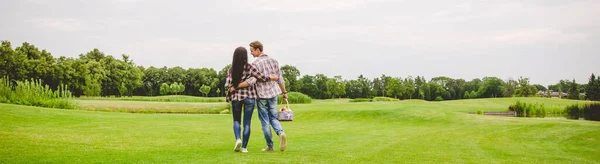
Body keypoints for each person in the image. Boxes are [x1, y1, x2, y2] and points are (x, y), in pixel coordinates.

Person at [224, 46, 279, 153]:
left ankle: (238, 139)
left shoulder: (231, 69)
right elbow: (261, 77)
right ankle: (244, 147)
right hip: (249, 97)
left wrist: (234, 86)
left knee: (236, 121)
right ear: (245, 56)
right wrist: (271, 78)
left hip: (236, 98)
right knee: (247, 123)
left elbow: (227, 85)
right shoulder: (250, 67)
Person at [248, 40, 288, 152]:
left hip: (261, 96)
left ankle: (270, 146)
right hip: (273, 93)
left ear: (258, 49)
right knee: (273, 117)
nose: (251, 53)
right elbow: (280, 78)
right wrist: (284, 92)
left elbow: (253, 79)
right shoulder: (274, 60)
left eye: (252, 51)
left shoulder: (255, 64)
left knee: (265, 121)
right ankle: (281, 132)